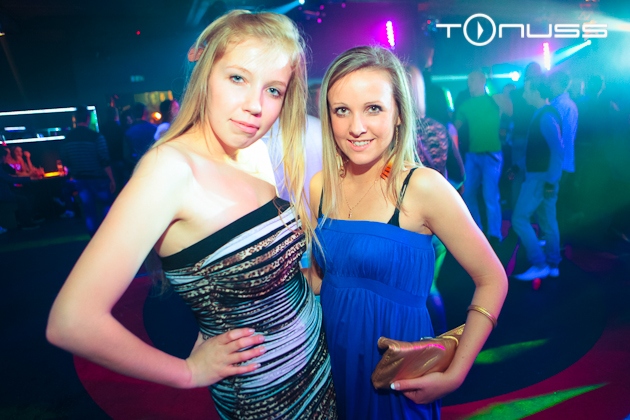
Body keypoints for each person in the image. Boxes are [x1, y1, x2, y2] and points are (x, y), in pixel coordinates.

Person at [47, 11, 336, 420]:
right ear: (204, 74)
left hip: (318, 365)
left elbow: (255, 271)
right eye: (237, 78)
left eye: (273, 89)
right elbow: (71, 320)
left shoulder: (252, 152)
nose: (255, 105)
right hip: (265, 398)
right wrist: (186, 372)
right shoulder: (169, 169)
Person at [309, 46, 508, 419]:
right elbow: (323, 277)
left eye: (373, 108)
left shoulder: (423, 187)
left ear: (399, 113)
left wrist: (455, 373)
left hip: (396, 373)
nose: (356, 127)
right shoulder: (322, 185)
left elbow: (492, 279)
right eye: (342, 110)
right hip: (333, 360)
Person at [511, 75, 564, 280]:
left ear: (536, 92)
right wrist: (519, 165)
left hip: (540, 178)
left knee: (519, 219)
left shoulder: (545, 116)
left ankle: (540, 263)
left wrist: (550, 181)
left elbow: (557, 151)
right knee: (548, 221)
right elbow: (542, 150)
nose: (524, 95)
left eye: (526, 91)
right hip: (545, 177)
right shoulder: (546, 114)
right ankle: (553, 263)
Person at [454, 71, 512, 246]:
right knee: (468, 194)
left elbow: (511, 111)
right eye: (468, 80)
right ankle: (478, 231)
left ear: (482, 80)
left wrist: (500, 97)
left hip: (491, 155)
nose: (469, 83)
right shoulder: (465, 105)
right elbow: (454, 129)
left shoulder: (495, 100)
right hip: (473, 155)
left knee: (490, 195)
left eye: (472, 80)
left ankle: (494, 234)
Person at [60, 105, 116, 236]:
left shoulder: (67, 139)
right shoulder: (96, 136)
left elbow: (65, 160)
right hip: (99, 178)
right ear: (88, 118)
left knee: (89, 211)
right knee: (107, 205)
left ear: (75, 119)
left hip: (80, 180)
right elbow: (104, 160)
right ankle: (107, 234)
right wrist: (112, 179)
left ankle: (94, 238)